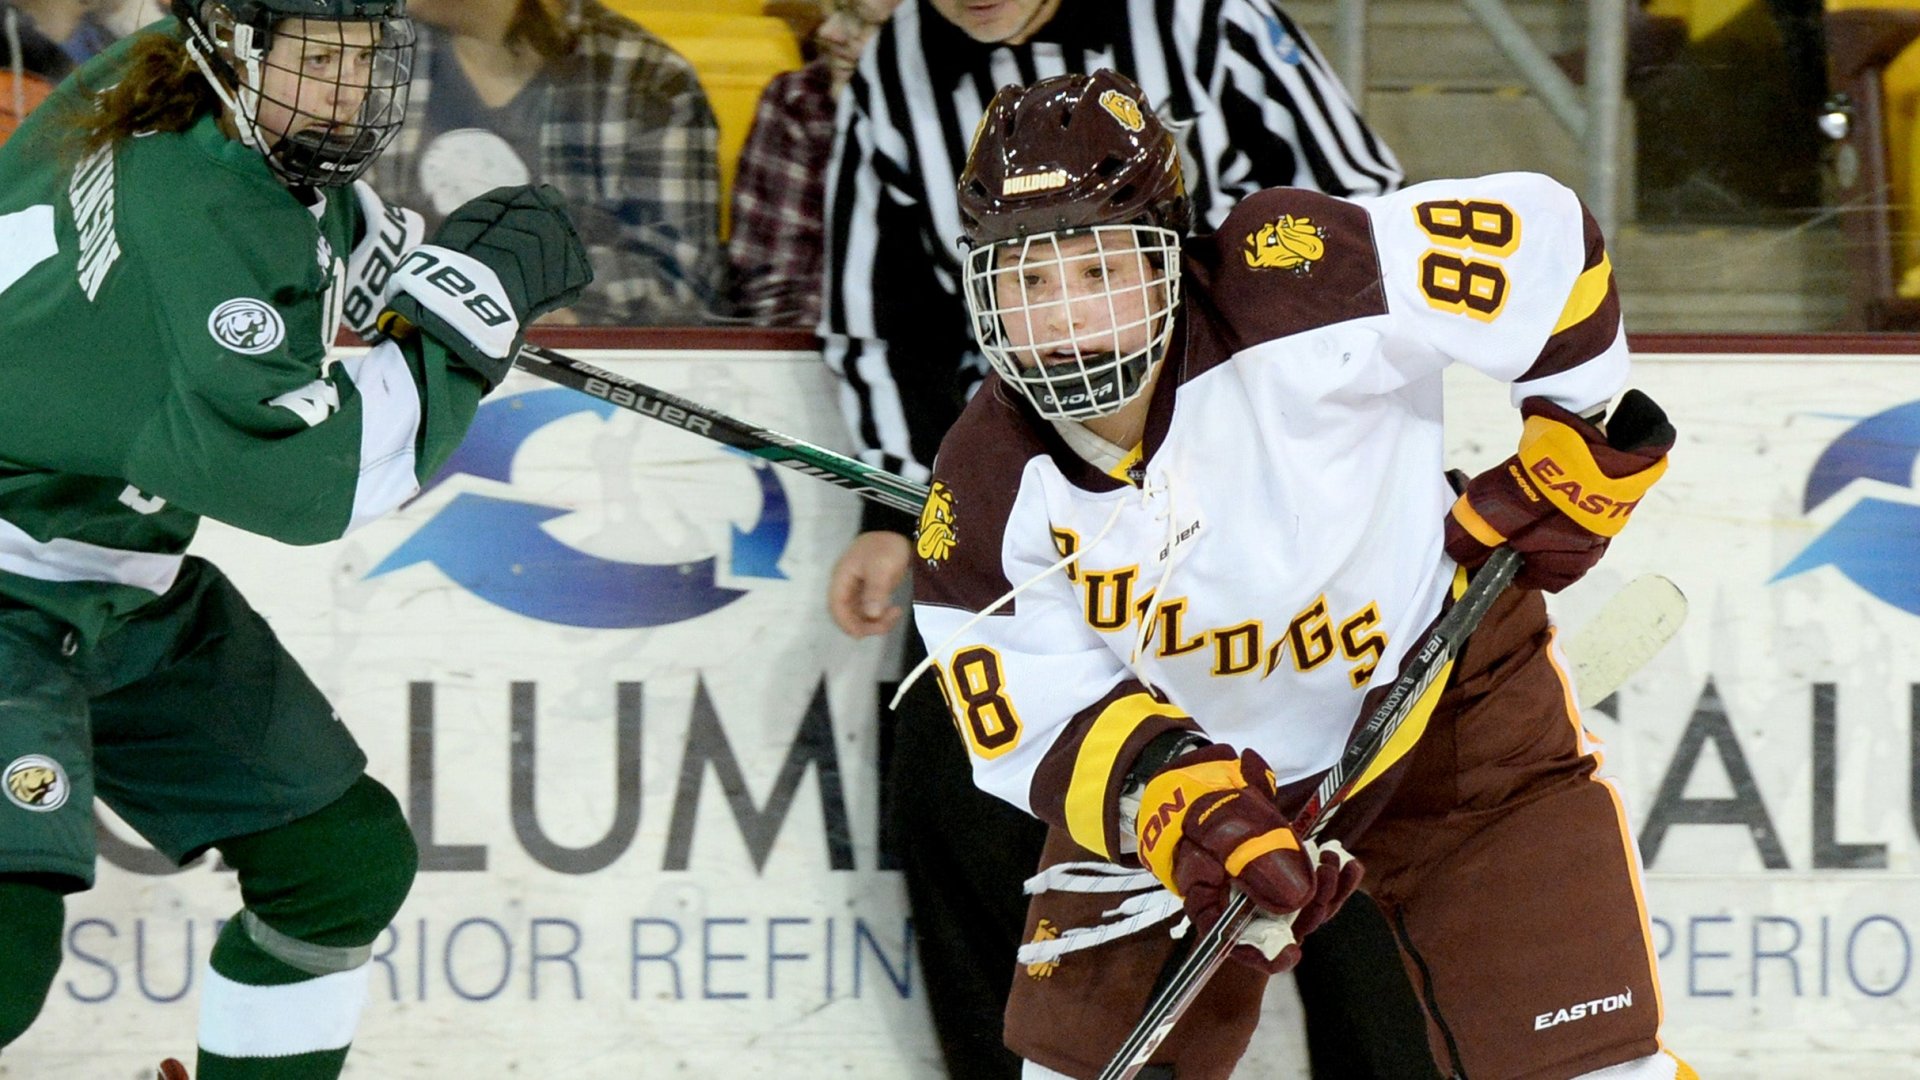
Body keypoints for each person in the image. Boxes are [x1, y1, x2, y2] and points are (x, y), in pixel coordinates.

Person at [911, 70, 1687, 1080]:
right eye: (1027, 281)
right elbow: (1038, 718)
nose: (1066, 319)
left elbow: (1547, 241)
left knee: (1595, 1067)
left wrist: (1573, 443)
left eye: (1098, 271)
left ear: (1168, 255)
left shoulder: (1303, 282)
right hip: (1201, 787)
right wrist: (1175, 805)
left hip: (1447, 703)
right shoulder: (981, 486)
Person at [818, 1, 1415, 1075]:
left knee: (1347, 794)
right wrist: (897, 507)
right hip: (1035, 497)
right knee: (955, 760)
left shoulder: (1202, 20)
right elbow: (880, 304)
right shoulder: (899, 65)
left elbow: (1362, 210)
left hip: (1249, 472)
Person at [0, 2, 589, 1077]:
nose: (345, 87)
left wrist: (417, 278)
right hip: (10, 583)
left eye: (363, 55)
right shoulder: (193, 216)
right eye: (317, 57)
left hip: (105, 578)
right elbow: (317, 479)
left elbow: (310, 246)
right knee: (2, 952)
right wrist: (465, 326)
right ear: (233, 43)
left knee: (338, 861)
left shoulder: (170, 84)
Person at [364, 0, 721, 325]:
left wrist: (529, 303)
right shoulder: (368, 54)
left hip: (568, 375)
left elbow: (677, 281)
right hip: (396, 345)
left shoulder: (648, 80)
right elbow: (338, 242)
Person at [726, 0, 901, 327]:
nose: (827, 32)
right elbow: (775, 295)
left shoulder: (999, 113)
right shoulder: (798, 101)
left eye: (861, 20)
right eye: (833, 11)